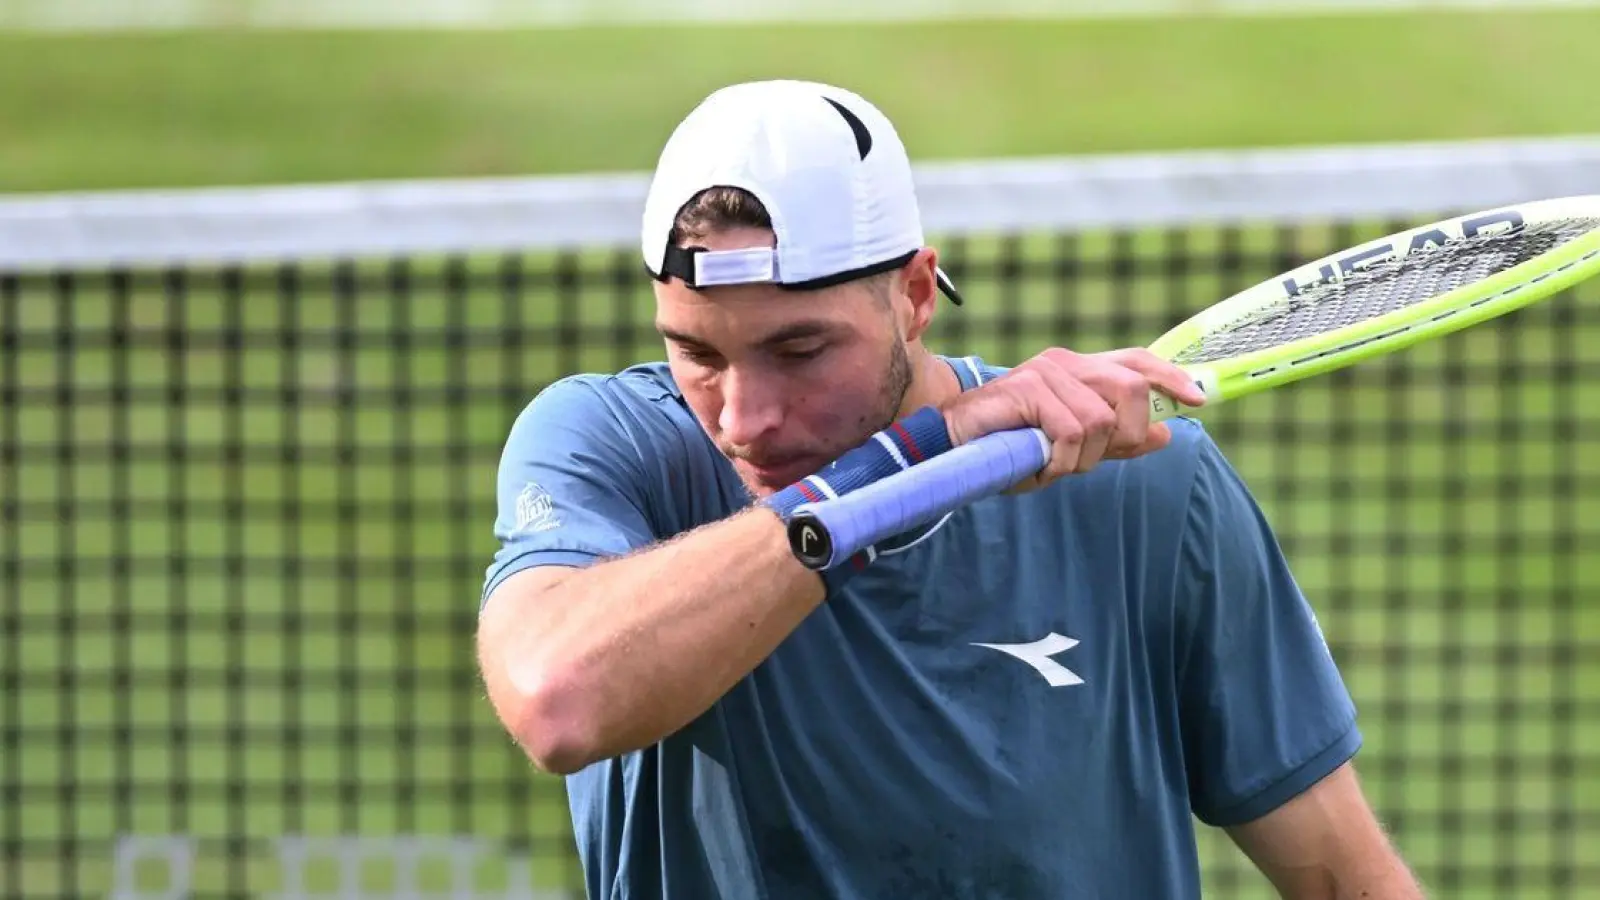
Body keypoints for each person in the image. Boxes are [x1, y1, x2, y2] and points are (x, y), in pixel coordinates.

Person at [475, 79, 1423, 899]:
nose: (743, 418)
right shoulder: (612, 446)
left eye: (799, 350)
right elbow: (560, 700)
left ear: (916, 296)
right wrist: (911, 465)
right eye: (698, 354)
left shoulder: (1150, 489)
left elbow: (1339, 872)